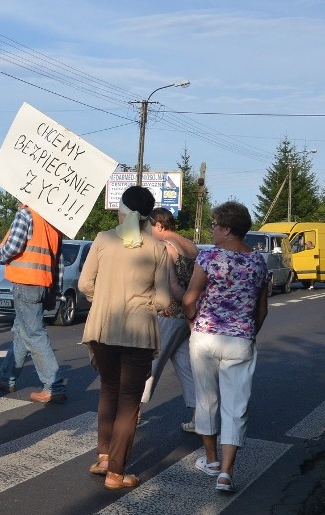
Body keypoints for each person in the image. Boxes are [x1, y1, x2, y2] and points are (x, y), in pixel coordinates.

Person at [78, 186, 171, 490]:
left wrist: (103, 298)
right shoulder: (157, 248)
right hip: (138, 332)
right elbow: (163, 299)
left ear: (121, 210)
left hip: (103, 326)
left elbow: (84, 284)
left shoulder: (103, 239)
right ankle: (117, 473)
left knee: (108, 388)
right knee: (129, 400)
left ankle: (104, 457)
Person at [182, 201, 269, 493]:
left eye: (215, 225)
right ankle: (227, 474)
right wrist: (248, 332)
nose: (213, 230)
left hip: (205, 337)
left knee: (207, 400)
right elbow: (262, 310)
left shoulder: (208, 258)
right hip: (241, 340)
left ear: (227, 229)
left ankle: (211, 461)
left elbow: (189, 298)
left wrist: (192, 322)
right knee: (237, 406)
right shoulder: (258, 262)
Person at [0, 203, 65, 403]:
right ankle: (6, 379)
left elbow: (12, 248)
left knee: (33, 333)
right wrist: (55, 291)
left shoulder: (26, 214)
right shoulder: (53, 221)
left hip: (25, 282)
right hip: (42, 283)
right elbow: (59, 261)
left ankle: (53, 386)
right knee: (22, 331)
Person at [140, 208, 199, 431]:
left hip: (170, 313)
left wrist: (184, 304)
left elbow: (172, 285)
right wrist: (192, 309)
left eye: (150, 227)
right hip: (187, 316)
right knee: (186, 367)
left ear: (159, 225)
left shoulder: (166, 247)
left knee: (150, 362)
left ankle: (133, 411)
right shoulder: (191, 246)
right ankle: (198, 418)